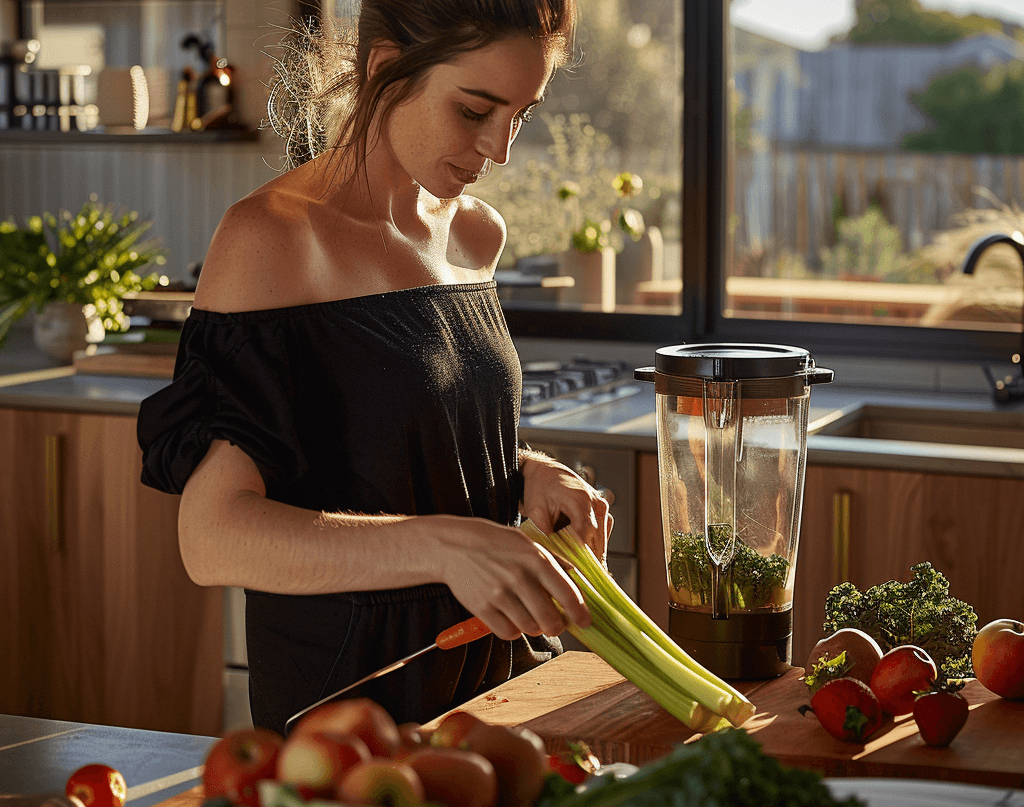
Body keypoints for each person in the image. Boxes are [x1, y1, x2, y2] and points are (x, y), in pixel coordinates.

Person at [136, 0, 614, 736]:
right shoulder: (273, 239)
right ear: (387, 68)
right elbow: (213, 534)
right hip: (355, 719)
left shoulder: (475, 236)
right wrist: (447, 542)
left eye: (520, 115)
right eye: (474, 110)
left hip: (502, 697)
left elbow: (381, 432)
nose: (500, 148)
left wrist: (522, 471)